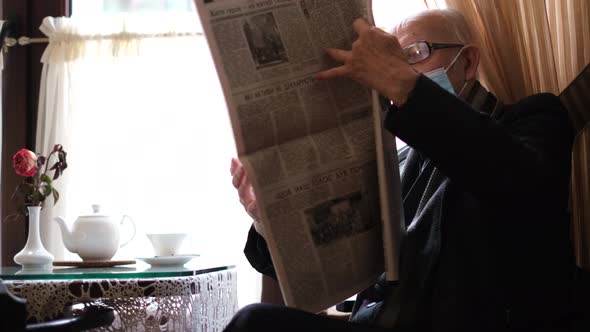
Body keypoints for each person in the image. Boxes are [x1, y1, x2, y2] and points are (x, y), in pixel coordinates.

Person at [229, 9, 576, 332]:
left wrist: (404, 83)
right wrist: (269, 218)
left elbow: (521, 183)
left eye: (414, 53)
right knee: (256, 323)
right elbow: (324, 270)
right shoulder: (398, 162)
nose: (396, 69)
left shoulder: (533, 120)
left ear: (468, 61)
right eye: (392, 59)